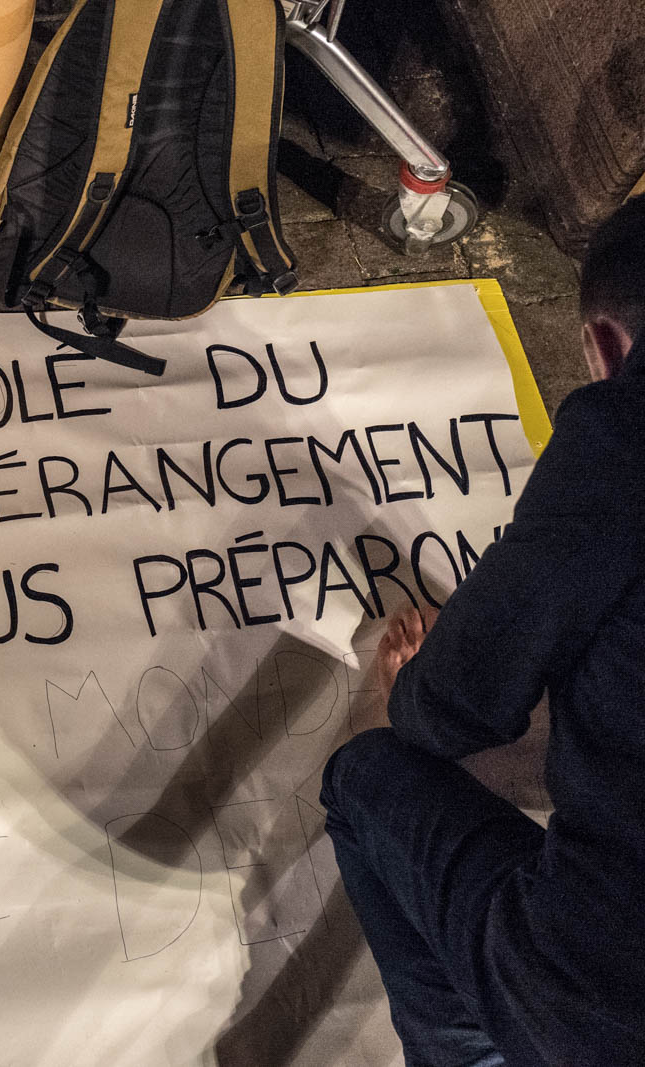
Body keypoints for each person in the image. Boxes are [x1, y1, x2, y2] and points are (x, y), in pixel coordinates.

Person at [320, 196, 645, 1067]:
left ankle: (468, 1048)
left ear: (609, 347)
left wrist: (411, 694)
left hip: (603, 1006)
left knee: (363, 775)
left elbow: (458, 703)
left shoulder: (625, 434)